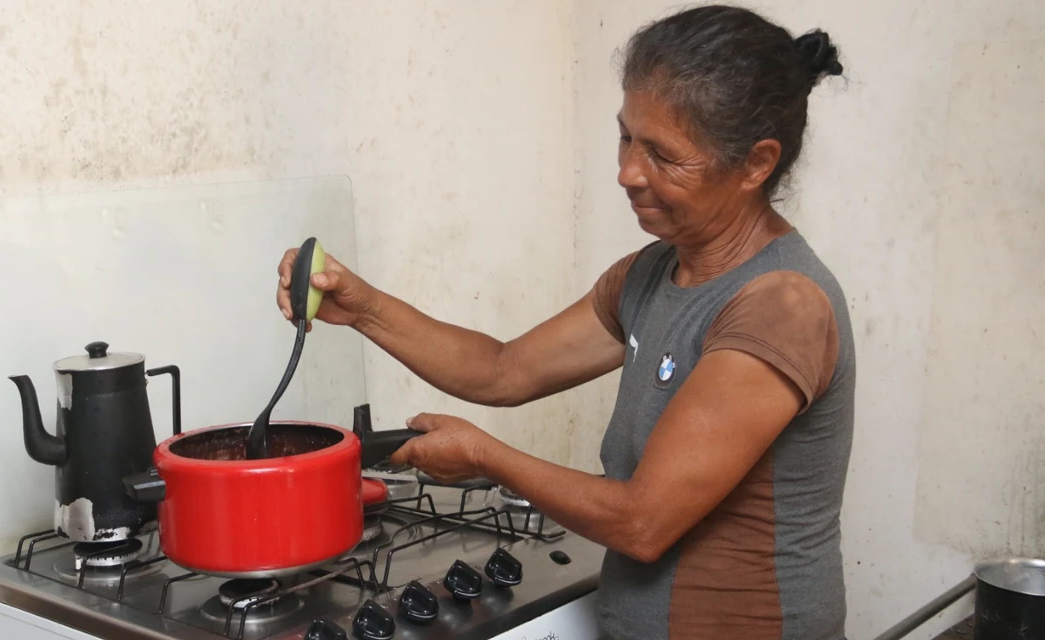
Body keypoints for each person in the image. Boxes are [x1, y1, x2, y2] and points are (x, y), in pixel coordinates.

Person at [276, 5, 854, 639]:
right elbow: (502, 370)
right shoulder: (649, 275)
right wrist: (363, 307)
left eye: (662, 154)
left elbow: (643, 521)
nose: (628, 172)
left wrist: (483, 455)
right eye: (626, 137)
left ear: (754, 164)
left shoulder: (781, 305)